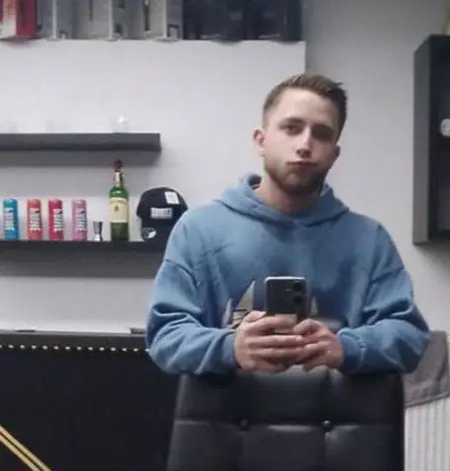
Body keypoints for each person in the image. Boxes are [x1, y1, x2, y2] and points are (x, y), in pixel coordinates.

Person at [146, 73, 430, 376]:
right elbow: (165, 336)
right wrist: (230, 348)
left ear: (334, 154)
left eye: (321, 134)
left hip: (339, 405)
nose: (305, 144)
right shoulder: (198, 231)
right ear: (261, 140)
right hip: (227, 405)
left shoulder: (369, 239)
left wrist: (346, 347)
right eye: (291, 128)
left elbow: (409, 335)